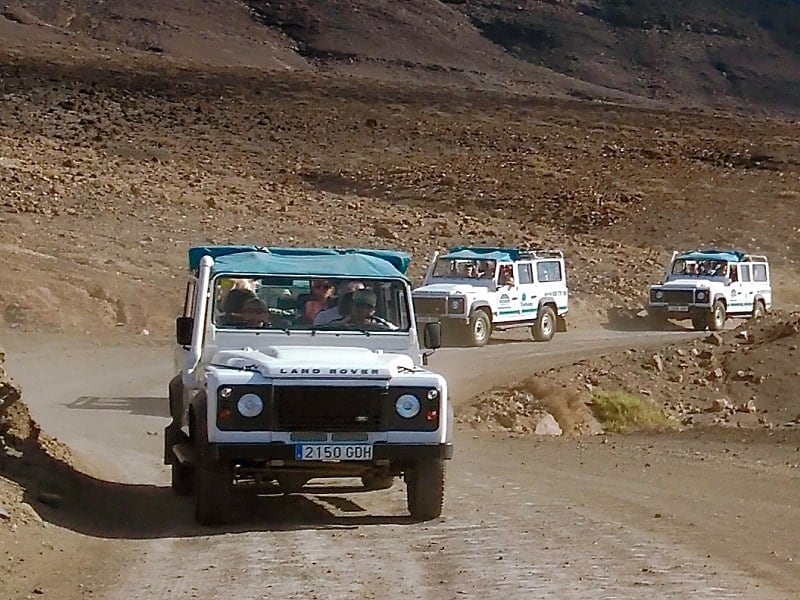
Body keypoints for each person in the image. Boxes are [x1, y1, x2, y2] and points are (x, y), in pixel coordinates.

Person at [331, 289, 397, 330]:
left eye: (365, 306)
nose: (359, 309)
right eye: (357, 305)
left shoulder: (385, 327)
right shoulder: (336, 326)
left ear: (373, 309)